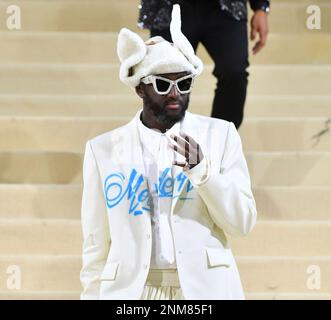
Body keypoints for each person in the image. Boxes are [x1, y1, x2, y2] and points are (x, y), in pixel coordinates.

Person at [80, 4, 257, 300]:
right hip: (133, 292)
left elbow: (243, 223)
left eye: (184, 83)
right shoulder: (103, 151)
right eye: (162, 84)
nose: (175, 92)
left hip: (205, 290)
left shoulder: (221, 135)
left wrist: (204, 172)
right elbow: (95, 244)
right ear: (140, 89)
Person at [138, 0, 270, 129]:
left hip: (226, 8)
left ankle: (221, 139)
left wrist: (261, 6)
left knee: (234, 71)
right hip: (168, 6)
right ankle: (167, 139)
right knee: (165, 77)